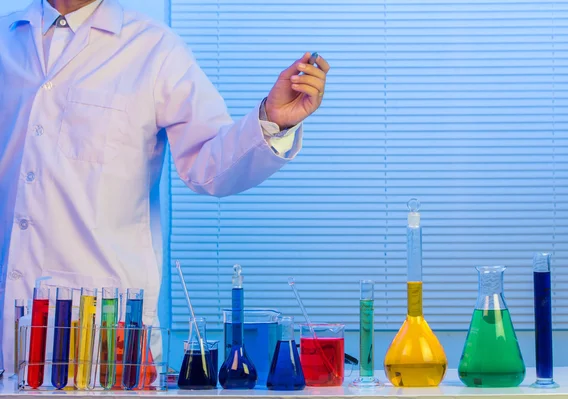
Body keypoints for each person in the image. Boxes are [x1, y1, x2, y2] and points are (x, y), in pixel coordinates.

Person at [0, 0, 330, 376]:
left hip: (105, 333)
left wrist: (272, 120)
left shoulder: (154, 48)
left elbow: (208, 165)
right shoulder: (5, 40)